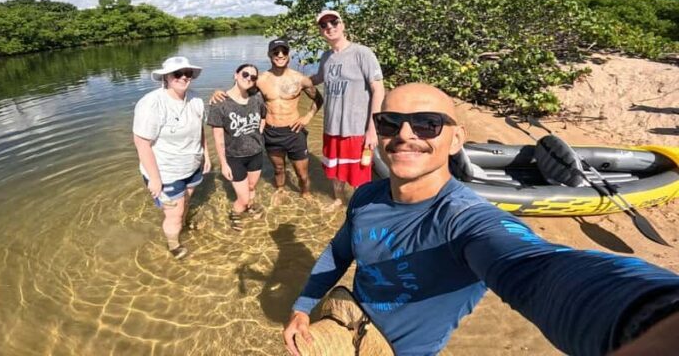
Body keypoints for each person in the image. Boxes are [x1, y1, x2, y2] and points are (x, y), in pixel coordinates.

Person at [283, 83, 679, 356]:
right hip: (349, 317)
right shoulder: (368, 195)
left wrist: (650, 314)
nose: (405, 134)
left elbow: (536, 269)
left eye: (427, 123)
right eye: (390, 123)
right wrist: (302, 306)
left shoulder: (465, 218)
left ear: (456, 139)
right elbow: (338, 253)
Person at [212, 38, 323, 200]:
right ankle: (280, 190)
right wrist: (218, 93)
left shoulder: (300, 79)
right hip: (271, 132)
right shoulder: (261, 80)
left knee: (302, 173)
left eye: (283, 51)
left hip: (294, 132)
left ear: (288, 55)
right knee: (278, 169)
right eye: (275, 52)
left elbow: (319, 100)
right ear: (269, 55)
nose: (280, 55)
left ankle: (305, 193)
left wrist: (307, 117)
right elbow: (240, 93)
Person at [133, 56, 211, 260]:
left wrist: (206, 155)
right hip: (166, 172)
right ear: (166, 77)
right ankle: (174, 245)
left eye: (188, 73)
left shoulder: (195, 99)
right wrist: (155, 179)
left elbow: (199, 130)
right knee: (174, 214)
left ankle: (182, 225)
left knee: (185, 201)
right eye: (178, 73)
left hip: (192, 166)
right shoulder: (152, 103)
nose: (184, 77)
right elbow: (142, 143)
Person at [310, 10, 385, 208]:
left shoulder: (362, 53)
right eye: (324, 25)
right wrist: (288, 80)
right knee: (334, 171)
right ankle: (338, 199)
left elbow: (378, 90)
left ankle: (361, 209)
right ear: (320, 32)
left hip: (357, 129)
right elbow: (318, 78)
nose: (329, 27)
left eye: (334, 22)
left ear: (342, 25)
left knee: (359, 175)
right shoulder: (326, 56)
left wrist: (372, 129)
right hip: (331, 128)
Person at [207, 63, 267, 231]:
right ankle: (235, 213)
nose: (249, 78)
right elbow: (218, 138)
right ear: (236, 75)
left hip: (256, 153)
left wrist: (259, 132)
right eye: (245, 74)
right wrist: (223, 163)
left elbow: (263, 116)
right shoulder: (219, 103)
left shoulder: (256, 98)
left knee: (251, 187)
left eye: (253, 77)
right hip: (235, 158)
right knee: (243, 198)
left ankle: (248, 206)